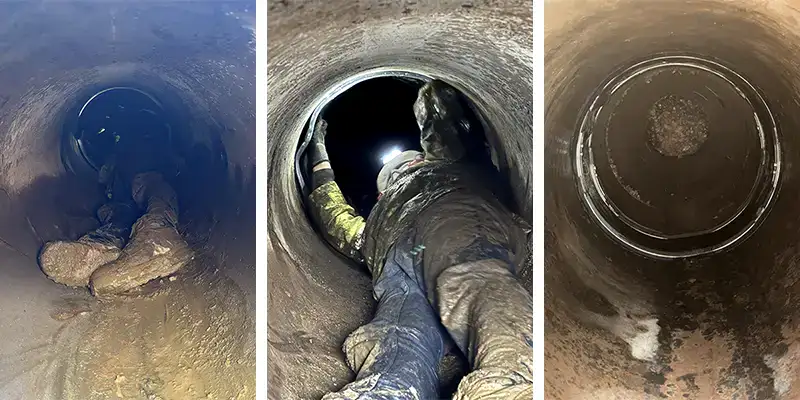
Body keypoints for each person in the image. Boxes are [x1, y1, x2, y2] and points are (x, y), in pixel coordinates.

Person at [305, 80, 533, 399]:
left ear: (418, 160)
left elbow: (444, 124)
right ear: (381, 191)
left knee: (475, 282)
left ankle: (513, 384)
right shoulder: (378, 216)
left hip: (455, 220)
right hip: (396, 266)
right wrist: (319, 159)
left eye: (403, 165)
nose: (398, 171)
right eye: (391, 174)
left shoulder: (447, 167)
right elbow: (336, 221)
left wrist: (431, 89)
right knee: (398, 336)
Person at [39, 111, 192, 297]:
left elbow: (168, 174)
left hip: (148, 184)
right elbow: (104, 180)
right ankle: (103, 252)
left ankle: (159, 240)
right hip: (124, 200)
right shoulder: (115, 156)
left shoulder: (149, 144)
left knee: (151, 190)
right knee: (119, 217)